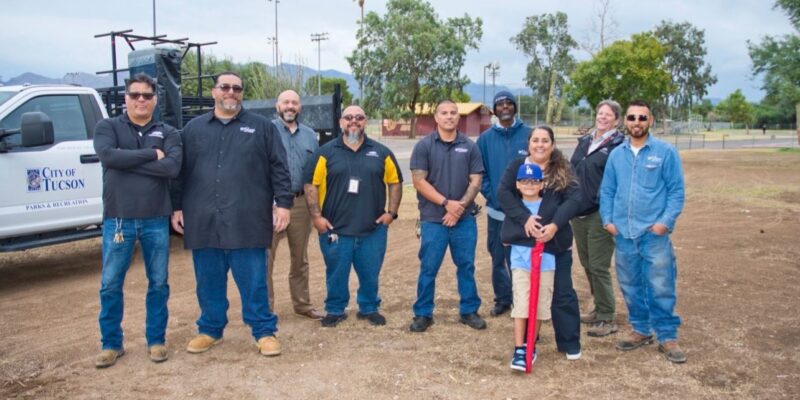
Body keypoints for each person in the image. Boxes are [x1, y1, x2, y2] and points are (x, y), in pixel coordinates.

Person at [171, 72, 293, 357]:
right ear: (214, 92)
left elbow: (279, 168)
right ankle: (210, 330)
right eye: (225, 87)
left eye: (237, 88)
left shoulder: (262, 128)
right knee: (208, 281)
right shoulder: (193, 129)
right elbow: (179, 172)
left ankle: (263, 331)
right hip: (203, 221)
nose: (231, 92)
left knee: (254, 282)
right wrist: (176, 207)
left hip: (247, 220)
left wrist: (284, 204)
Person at [92, 73, 182, 368]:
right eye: (134, 95)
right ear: (125, 98)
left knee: (158, 283)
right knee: (110, 284)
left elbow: (171, 168)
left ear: (155, 99)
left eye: (146, 95)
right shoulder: (108, 127)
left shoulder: (168, 131)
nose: (140, 100)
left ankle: (156, 340)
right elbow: (107, 156)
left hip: (156, 219)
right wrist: (150, 155)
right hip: (118, 220)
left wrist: (128, 162)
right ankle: (111, 344)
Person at [599, 100, 687, 363]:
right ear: (625, 121)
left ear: (651, 121)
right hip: (623, 234)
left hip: (653, 234)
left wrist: (665, 222)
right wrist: (608, 220)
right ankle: (640, 330)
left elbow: (676, 192)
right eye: (632, 117)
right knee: (630, 285)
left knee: (661, 285)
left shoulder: (665, 152)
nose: (636, 122)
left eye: (642, 118)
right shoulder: (616, 155)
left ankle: (667, 336)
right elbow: (607, 191)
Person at [303, 105, 403, 328]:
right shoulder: (325, 152)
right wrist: (316, 217)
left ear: (365, 122)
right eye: (348, 117)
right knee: (336, 273)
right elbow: (311, 185)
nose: (354, 121)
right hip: (335, 229)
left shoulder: (382, 152)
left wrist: (391, 213)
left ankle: (369, 307)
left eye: (359, 117)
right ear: (341, 122)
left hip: (372, 230)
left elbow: (395, 182)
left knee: (370, 272)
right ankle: (335, 309)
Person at [497, 126, 582, 360]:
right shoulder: (517, 167)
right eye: (535, 140)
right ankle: (526, 344)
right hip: (523, 246)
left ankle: (569, 342)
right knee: (525, 295)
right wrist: (524, 218)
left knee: (562, 294)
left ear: (552, 145)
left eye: (545, 140)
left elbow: (575, 198)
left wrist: (554, 225)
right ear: (529, 143)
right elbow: (503, 193)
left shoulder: (563, 168)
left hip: (555, 245)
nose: (540, 145)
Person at [408, 100, 485, 333]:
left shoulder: (470, 146)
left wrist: (459, 207)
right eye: (444, 113)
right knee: (428, 267)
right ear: (436, 118)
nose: (449, 116)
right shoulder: (424, 146)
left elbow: (476, 180)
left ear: (457, 117)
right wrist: (445, 203)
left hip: (464, 220)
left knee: (466, 266)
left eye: (453, 113)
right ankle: (423, 314)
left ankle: (469, 311)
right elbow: (419, 181)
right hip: (433, 220)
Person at [569, 100, 625, 337]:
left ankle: (606, 316)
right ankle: (598, 306)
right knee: (587, 263)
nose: (602, 117)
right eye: (600, 113)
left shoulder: (617, 145)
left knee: (599, 266)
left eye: (608, 114)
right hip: (577, 212)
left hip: (599, 212)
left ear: (616, 120)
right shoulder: (585, 141)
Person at [267, 90, 324, 320]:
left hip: (300, 204)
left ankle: (302, 304)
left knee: (300, 258)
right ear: (277, 105)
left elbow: (315, 171)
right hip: (270, 205)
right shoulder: (265, 131)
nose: (290, 106)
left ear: (299, 108)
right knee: (265, 259)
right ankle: (265, 309)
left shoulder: (310, 135)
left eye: (294, 103)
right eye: (286, 102)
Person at [476, 91, 531, 317]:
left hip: (526, 213)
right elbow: (480, 173)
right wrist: (493, 196)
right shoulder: (485, 139)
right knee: (498, 258)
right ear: (494, 109)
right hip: (497, 212)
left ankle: (524, 301)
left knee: (522, 259)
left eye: (509, 103)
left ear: (515, 107)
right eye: (500, 104)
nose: (505, 107)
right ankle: (503, 299)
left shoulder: (529, 135)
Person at [500, 163, 556, 371]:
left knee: (540, 305)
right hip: (521, 264)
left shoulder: (548, 207)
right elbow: (505, 236)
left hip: (546, 263)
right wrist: (529, 233)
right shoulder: (516, 208)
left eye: (535, 181)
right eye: (525, 181)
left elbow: (553, 233)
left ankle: (530, 344)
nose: (530, 185)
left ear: (542, 184)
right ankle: (519, 348)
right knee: (521, 304)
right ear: (517, 184)